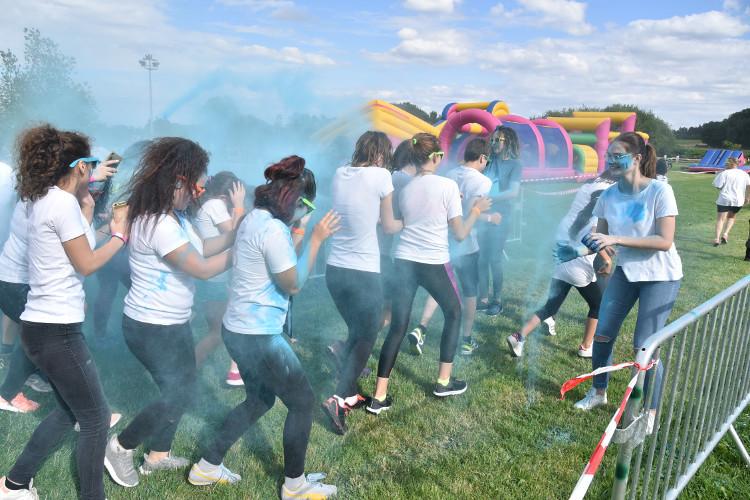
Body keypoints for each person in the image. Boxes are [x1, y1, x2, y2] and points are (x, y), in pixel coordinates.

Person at [188, 156, 340, 499]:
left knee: (259, 400)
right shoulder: (271, 228)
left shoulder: (254, 218)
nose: (305, 212)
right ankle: (294, 486)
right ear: (296, 200)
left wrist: (301, 232)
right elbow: (294, 283)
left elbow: (282, 260)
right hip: (258, 336)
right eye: (306, 205)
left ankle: (207, 466)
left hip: (238, 328)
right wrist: (316, 240)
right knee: (303, 402)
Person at [0, 124, 127, 500]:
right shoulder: (61, 204)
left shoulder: (47, 199)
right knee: (96, 419)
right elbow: (86, 263)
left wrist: (88, 206)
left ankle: (15, 484)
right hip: (57, 331)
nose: (93, 169)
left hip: (44, 326)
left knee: (69, 411)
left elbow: (73, 251)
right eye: (90, 162)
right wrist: (121, 235)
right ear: (78, 166)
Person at [104, 137, 237, 489]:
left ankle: (157, 456)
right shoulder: (158, 223)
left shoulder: (177, 218)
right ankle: (120, 447)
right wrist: (248, 247)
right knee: (178, 394)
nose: (198, 195)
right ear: (177, 179)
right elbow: (203, 267)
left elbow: (206, 246)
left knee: (184, 389)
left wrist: (240, 232)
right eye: (196, 187)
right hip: (150, 327)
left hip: (173, 322)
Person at [555, 132, 682, 419]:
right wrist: (577, 252)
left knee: (644, 346)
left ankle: (649, 411)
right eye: (608, 155)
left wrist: (616, 240)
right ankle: (598, 392)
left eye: (617, 155)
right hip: (626, 272)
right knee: (602, 336)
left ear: (637, 158)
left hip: (660, 275)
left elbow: (663, 240)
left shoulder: (660, 191)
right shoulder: (608, 195)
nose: (610, 160)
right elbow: (601, 239)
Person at [368, 133, 491, 415]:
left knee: (399, 326)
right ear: (436, 157)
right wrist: (475, 209)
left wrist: (452, 199)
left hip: (404, 261)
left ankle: (379, 397)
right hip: (433, 262)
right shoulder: (447, 185)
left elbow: (414, 214)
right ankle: (443, 382)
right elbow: (459, 234)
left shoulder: (407, 187)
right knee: (455, 313)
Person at [321, 131, 403, 435]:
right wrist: (414, 220)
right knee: (367, 333)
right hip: (363, 271)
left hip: (335, 271)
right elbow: (389, 225)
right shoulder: (382, 176)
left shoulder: (339, 173)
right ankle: (338, 399)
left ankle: (351, 393)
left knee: (357, 330)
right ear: (382, 155)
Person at [408, 137, 502, 356]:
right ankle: (466, 341)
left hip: (443, 241)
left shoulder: (450, 174)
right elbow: (469, 211)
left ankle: (421, 328)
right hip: (466, 243)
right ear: (482, 158)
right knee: (470, 293)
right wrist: (490, 219)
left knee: (441, 286)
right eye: (486, 161)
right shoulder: (483, 181)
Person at [506, 172, 617, 358]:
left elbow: (587, 237)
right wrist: (606, 258)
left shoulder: (578, 215)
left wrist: (606, 248)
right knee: (598, 305)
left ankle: (519, 336)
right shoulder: (596, 219)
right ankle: (586, 346)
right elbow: (591, 238)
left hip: (562, 266)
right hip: (579, 270)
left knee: (550, 307)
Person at [191, 171, 246, 385]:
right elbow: (236, 232)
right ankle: (185, 375)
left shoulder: (209, 204)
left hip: (213, 277)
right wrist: (239, 205)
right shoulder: (215, 206)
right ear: (227, 196)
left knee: (230, 317)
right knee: (218, 332)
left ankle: (235, 370)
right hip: (211, 278)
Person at [477, 125, 522, 316]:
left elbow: (513, 192)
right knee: (481, 259)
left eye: (498, 140)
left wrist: (491, 198)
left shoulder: (515, 164)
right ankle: (483, 299)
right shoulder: (488, 161)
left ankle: (497, 301)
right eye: (492, 140)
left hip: (501, 218)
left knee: (494, 260)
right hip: (483, 215)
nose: (493, 144)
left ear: (508, 142)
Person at [712, 157, 749, 246]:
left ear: (732, 164)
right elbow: (749, 186)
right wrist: (748, 197)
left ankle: (716, 239)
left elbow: (718, 185)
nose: (725, 165)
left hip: (725, 198)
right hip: (738, 200)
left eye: (727, 163)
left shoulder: (724, 173)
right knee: (731, 218)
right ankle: (725, 234)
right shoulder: (744, 174)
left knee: (721, 219)